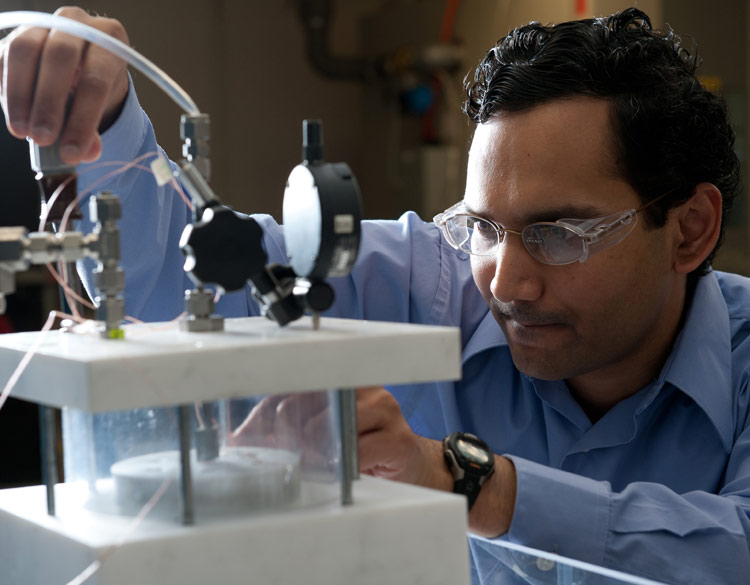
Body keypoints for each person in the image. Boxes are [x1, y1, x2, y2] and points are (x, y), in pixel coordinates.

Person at [2, 6, 750, 584]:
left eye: (559, 233)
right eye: (484, 227)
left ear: (689, 229)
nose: (506, 281)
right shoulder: (425, 278)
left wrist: (472, 482)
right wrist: (98, 118)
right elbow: (176, 280)